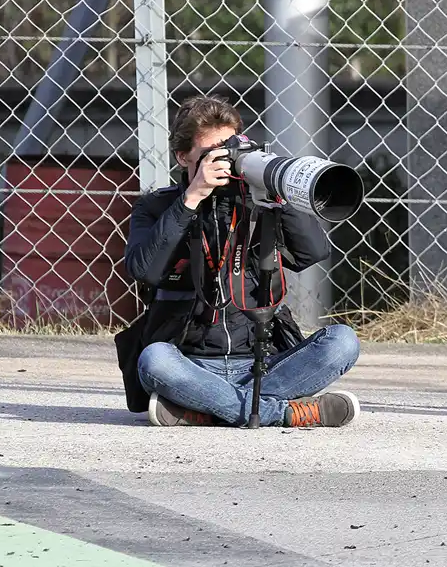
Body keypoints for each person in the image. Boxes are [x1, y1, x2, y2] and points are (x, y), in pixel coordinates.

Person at [122, 94, 361, 429]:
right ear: (183, 156)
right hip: (189, 363)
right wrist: (193, 197)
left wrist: (277, 193)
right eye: (212, 153)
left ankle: (205, 409)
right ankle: (286, 413)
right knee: (154, 360)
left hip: (266, 362)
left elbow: (311, 253)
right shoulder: (157, 207)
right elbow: (143, 269)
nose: (226, 161)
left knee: (342, 342)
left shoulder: (259, 203)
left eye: (231, 149)